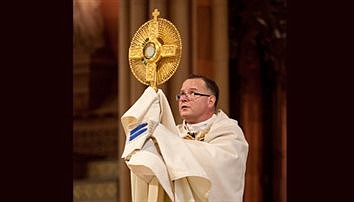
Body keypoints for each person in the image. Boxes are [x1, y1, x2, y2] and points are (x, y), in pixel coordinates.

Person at [121, 74, 249, 202]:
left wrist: (166, 141)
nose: (183, 99)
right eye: (181, 94)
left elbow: (217, 164)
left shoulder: (229, 132)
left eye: (192, 93)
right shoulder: (172, 134)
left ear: (211, 101)